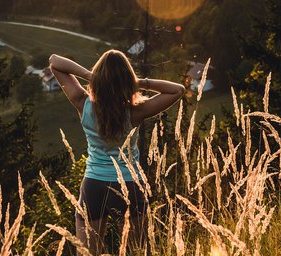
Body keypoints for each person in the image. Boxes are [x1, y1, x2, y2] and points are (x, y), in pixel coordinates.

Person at [49, 50, 185, 255]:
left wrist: (91, 77)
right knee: (137, 251)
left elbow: (54, 62)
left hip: (94, 185)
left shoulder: (82, 102)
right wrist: (136, 82)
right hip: (130, 185)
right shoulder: (136, 112)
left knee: (87, 253)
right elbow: (178, 90)